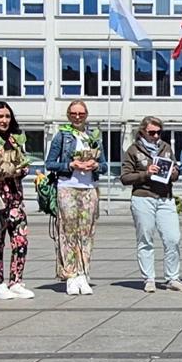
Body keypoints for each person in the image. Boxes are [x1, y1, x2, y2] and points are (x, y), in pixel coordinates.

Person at [122, 116, 182, 292]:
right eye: (152, 132)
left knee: (173, 238)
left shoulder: (166, 148)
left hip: (165, 197)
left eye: (159, 132)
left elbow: (175, 171)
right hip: (143, 197)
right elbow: (125, 177)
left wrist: (174, 172)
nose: (156, 136)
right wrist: (146, 173)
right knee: (145, 238)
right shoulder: (133, 150)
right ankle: (149, 278)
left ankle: (172, 278)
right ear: (143, 131)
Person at [0, 101, 35, 300]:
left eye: (7, 116)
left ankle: (17, 280)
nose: (4, 120)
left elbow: (25, 164)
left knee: (20, 240)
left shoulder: (14, 139)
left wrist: (18, 169)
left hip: (16, 198)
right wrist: (1, 170)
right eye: (0, 116)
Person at [45, 100, 102, 295]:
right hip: (67, 187)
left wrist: (95, 166)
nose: (78, 117)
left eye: (81, 113)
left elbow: (103, 165)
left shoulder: (93, 136)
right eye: (74, 113)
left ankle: (83, 273)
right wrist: (71, 165)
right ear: (68, 115)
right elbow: (50, 163)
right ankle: (70, 274)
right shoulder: (62, 135)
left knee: (87, 233)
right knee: (68, 231)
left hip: (89, 188)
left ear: (86, 115)